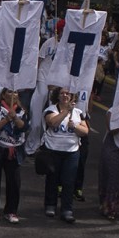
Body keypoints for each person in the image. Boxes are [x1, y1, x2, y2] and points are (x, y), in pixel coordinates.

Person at [41, 87, 89, 224]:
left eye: (68, 93)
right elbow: (52, 122)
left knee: (69, 181)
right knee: (53, 179)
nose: (65, 95)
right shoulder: (51, 110)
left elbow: (85, 131)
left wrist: (75, 127)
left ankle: (67, 209)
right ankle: (50, 204)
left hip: (72, 152)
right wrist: (66, 111)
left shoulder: (79, 113)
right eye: (62, 93)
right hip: (53, 150)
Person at [0, 87, 29, 222]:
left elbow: (24, 127)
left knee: (14, 181)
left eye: (15, 92)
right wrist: (6, 119)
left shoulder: (22, 110)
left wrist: (15, 118)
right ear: (3, 95)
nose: (12, 94)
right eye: (9, 92)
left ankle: (11, 211)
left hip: (14, 151)